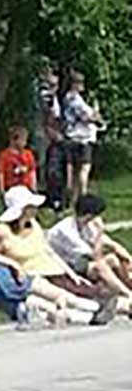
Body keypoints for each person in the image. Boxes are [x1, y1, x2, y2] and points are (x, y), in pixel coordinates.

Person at [0, 185, 120, 320]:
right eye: (31, 206)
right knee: (65, 297)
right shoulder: (2, 232)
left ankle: (110, 307)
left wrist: (71, 273)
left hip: (54, 271)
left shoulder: (33, 225)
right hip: (32, 275)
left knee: (87, 290)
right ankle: (93, 312)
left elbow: (48, 251)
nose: (35, 209)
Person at [48, 194, 132, 304]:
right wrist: (100, 233)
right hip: (66, 264)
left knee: (114, 258)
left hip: (80, 260)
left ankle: (128, 285)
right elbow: (95, 255)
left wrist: (127, 257)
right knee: (99, 266)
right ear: (88, 215)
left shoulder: (86, 224)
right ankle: (127, 293)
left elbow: (111, 244)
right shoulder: (65, 231)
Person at [63, 70, 102, 207]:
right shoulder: (74, 99)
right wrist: (96, 117)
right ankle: (83, 197)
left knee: (75, 172)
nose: (82, 85)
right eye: (80, 82)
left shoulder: (73, 98)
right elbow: (86, 117)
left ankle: (73, 201)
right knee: (84, 169)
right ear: (74, 84)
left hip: (74, 137)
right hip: (81, 138)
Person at [39, 69, 66, 212]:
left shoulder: (57, 98)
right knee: (49, 169)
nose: (53, 88)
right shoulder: (45, 97)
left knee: (55, 169)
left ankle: (55, 198)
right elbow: (45, 119)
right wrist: (52, 132)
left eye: (55, 85)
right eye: (51, 84)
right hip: (45, 136)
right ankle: (50, 198)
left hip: (56, 136)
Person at [0, 125, 37, 196]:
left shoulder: (28, 154)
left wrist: (33, 186)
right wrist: (1, 190)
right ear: (13, 140)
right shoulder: (4, 155)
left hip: (26, 188)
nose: (25, 143)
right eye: (23, 140)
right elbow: (1, 173)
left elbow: (32, 171)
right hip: (11, 188)